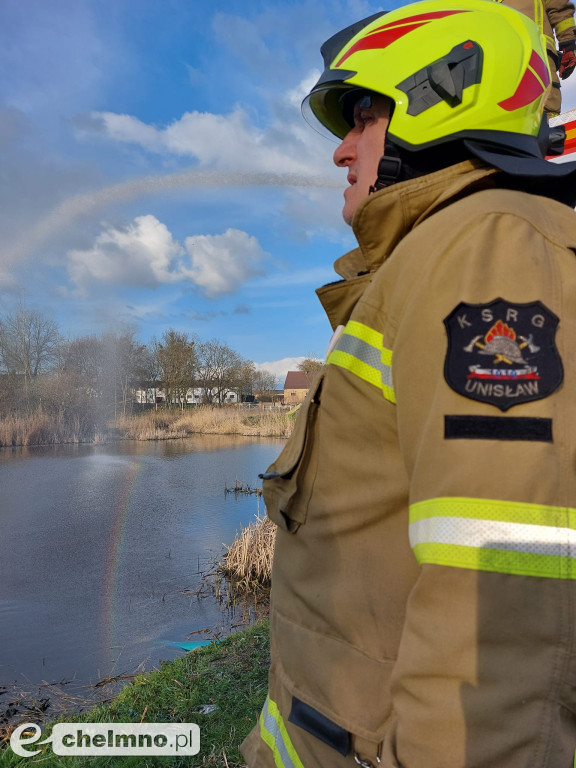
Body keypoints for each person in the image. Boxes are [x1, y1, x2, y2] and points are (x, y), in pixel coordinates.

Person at [241, 1, 576, 766]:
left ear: (440, 92)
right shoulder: (433, 258)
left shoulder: (486, 248)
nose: (341, 151)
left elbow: (503, 625)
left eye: (360, 116)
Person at [496, 0, 576, 116]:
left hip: (536, 54)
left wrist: (567, 41)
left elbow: (559, 6)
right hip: (497, 61)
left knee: (544, 108)